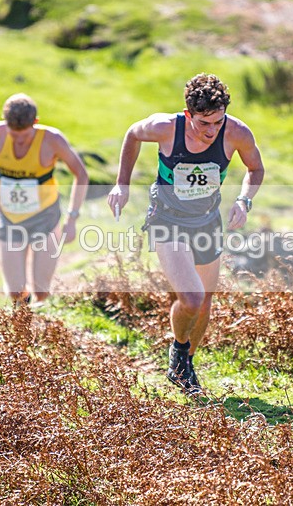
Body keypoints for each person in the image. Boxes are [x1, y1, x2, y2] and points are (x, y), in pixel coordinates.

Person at [107, 73, 265, 394]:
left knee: (205, 303)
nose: (211, 131)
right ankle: (178, 351)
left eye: (217, 122)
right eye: (204, 123)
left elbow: (255, 169)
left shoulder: (236, 133)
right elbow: (131, 135)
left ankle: (185, 364)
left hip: (207, 222)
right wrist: (121, 184)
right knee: (190, 298)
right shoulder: (165, 128)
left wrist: (243, 200)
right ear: (189, 114)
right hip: (168, 219)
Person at [0, 93, 88, 304]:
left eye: (24, 136)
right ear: (4, 122)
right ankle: (22, 332)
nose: (18, 140)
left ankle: (40, 328)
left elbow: (81, 174)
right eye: (13, 134)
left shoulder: (52, 140)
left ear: (35, 123)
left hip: (45, 216)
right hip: (9, 217)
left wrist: (72, 219)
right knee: (16, 292)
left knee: (41, 290)